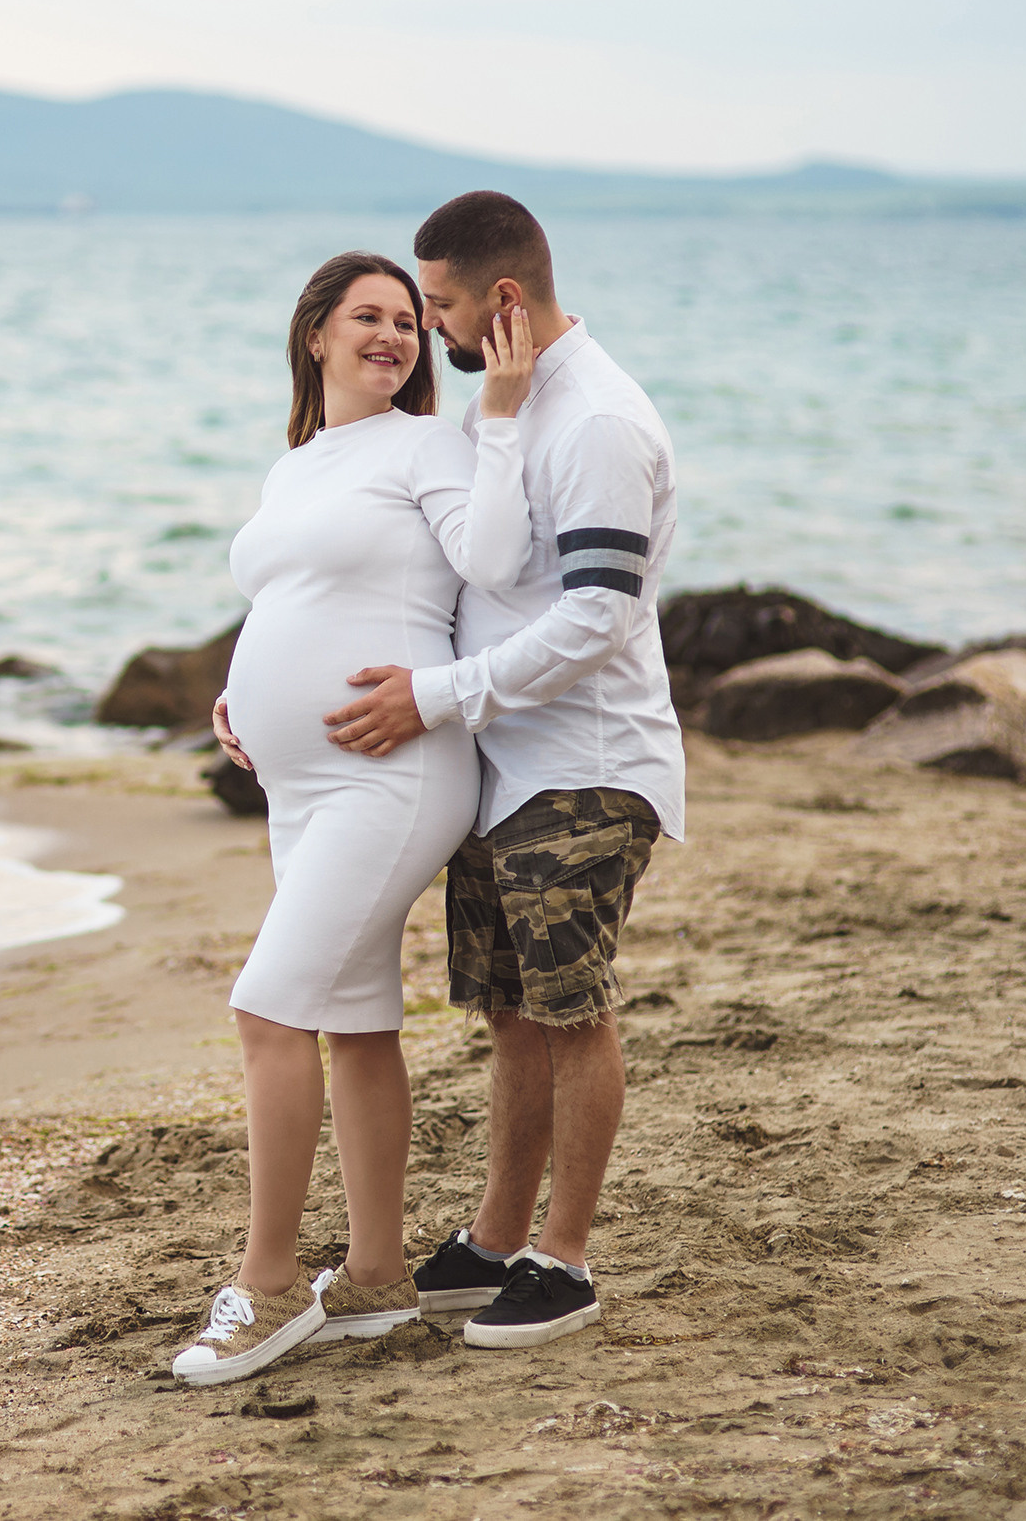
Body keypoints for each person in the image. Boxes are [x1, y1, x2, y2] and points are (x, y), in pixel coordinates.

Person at [319, 190, 684, 1350]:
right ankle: (492, 1241)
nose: (430, 326)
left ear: (504, 297)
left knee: (572, 1014)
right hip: (500, 763)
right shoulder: (509, 405)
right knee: (512, 1016)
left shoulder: (599, 422)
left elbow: (594, 620)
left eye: (439, 304)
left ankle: (562, 1261)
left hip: (585, 763)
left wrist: (433, 696)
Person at [174, 251, 537, 1387]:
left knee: (266, 1008)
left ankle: (270, 1283)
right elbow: (295, 595)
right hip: (298, 788)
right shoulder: (298, 464)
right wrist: (240, 695)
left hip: (391, 774)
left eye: (406, 322)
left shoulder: (431, 442)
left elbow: (494, 557)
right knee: (355, 1020)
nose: (392, 335)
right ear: (315, 334)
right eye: (367, 316)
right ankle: (376, 1274)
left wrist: (502, 411)